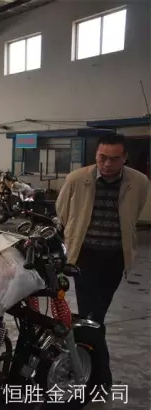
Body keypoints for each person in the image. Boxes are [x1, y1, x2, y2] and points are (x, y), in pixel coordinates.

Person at [55, 133, 148, 391]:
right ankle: (100, 374)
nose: (107, 164)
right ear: (95, 155)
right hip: (84, 257)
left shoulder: (139, 182)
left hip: (115, 259)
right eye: (102, 158)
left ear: (125, 158)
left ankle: (90, 369)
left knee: (96, 315)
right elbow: (62, 211)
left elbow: (135, 212)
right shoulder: (77, 179)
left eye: (114, 159)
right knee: (91, 315)